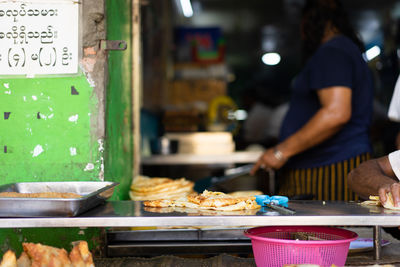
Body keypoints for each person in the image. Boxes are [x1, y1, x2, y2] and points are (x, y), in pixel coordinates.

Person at [251, 0, 374, 201]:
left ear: (310, 21)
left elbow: (336, 113)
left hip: (329, 166)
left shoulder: (332, 52)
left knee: (314, 231)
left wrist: (281, 152)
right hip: (330, 162)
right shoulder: (344, 50)